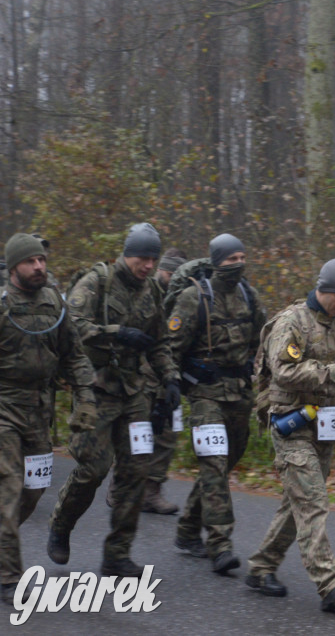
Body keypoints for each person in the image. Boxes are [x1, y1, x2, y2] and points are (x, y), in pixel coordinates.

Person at [48, 223, 179, 577]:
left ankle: (117, 554)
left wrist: (170, 379)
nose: (149, 265)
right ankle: (61, 525)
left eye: (154, 259)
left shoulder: (152, 290)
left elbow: (161, 342)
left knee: (136, 471)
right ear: (127, 253)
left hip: (135, 393)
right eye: (142, 258)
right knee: (92, 469)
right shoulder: (97, 282)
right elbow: (70, 326)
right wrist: (116, 333)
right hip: (98, 389)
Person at [246, 258, 335, 611]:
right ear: (326, 290)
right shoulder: (292, 322)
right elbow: (283, 372)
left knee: (297, 503)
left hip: (325, 426)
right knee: (313, 501)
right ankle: (330, 583)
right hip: (290, 424)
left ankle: (261, 567)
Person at [0, 233, 97, 603]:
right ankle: (9, 577)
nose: (39, 266)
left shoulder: (54, 303)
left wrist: (85, 396)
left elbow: (74, 354)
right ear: (14, 267)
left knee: (33, 488)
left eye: (41, 260)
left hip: (39, 412)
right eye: (30, 261)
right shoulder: (3, 304)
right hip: (4, 407)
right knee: (8, 489)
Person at [166, 233, 266, 574]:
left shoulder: (248, 296)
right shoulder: (194, 299)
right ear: (215, 262)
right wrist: (170, 385)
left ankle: (187, 529)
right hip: (205, 393)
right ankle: (219, 543)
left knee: (226, 461)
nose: (237, 264)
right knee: (213, 463)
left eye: (242, 257)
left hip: (238, 393)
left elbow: (261, 341)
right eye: (230, 259)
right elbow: (170, 347)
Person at [142, 247, 189, 514]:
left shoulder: (186, 297)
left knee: (167, 434)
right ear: (161, 270)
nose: (171, 278)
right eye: (169, 272)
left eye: (176, 274)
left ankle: (151, 491)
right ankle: (122, 486)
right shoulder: (145, 292)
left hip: (171, 377)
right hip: (141, 375)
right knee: (138, 433)